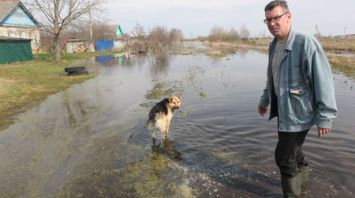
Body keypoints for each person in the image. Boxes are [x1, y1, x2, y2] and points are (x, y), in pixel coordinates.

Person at [257, 1, 338, 197]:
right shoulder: (273, 45)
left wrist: (325, 116)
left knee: (283, 158)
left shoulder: (306, 42)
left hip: (299, 112)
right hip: (283, 111)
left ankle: (293, 194)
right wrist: (265, 99)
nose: (272, 23)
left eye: (276, 18)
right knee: (294, 154)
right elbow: (272, 77)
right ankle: (301, 190)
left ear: (288, 16)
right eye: (268, 20)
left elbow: (323, 80)